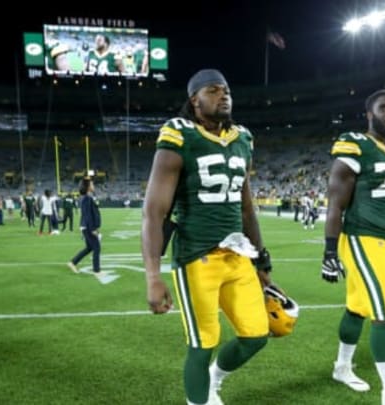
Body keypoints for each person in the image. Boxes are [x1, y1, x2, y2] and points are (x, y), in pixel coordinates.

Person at [141, 69, 273, 405]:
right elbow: (154, 212)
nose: (224, 95)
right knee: (202, 344)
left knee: (257, 335)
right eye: (213, 91)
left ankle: (215, 379)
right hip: (196, 257)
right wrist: (153, 277)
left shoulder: (242, 138)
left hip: (238, 256)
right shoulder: (179, 133)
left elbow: (246, 209)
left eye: (226, 90)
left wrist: (260, 258)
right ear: (194, 100)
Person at [322, 88, 385, 405]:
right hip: (360, 238)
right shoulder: (355, 144)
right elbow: (335, 201)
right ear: (370, 113)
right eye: (384, 108)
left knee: (357, 307)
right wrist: (329, 251)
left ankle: (342, 367)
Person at [67, 178, 104, 277]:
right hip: (88, 227)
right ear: (88, 187)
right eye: (92, 184)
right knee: (96, 247)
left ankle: (72, 262)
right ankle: (97, 271)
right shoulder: (87, 198)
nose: (93, 186)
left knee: (89, 248)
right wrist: (93, 229)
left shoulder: (88, 197)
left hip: (86, 226)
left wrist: (96, 227)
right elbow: (87, 215)